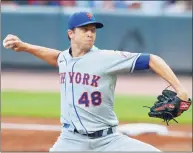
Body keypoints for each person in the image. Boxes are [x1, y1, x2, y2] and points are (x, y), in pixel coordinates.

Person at [3, 11, 189, 151]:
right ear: (71, 34)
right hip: (71, 141)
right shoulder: (64, 59)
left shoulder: (105, 58)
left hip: (109, 141)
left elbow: (151, 59)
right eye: (85, 30)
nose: (90, 34)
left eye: (93, 30)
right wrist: (26, 47)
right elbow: (56, 57)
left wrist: (180, 90)